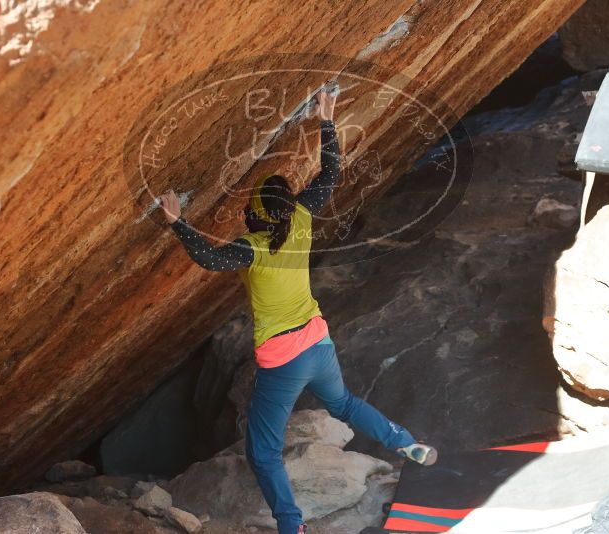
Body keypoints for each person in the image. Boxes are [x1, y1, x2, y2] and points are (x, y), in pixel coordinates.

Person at [159, 88, 436, 534]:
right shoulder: (302, 219)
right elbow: (330, 174)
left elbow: (209, 258)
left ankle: (292, 525)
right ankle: (405, 443)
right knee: (342, 403)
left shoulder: (252, 248)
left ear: (257, 216)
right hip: (318, 342)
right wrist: (326, 119)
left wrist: (177, 222)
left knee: (263, 453)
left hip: (283, 360)